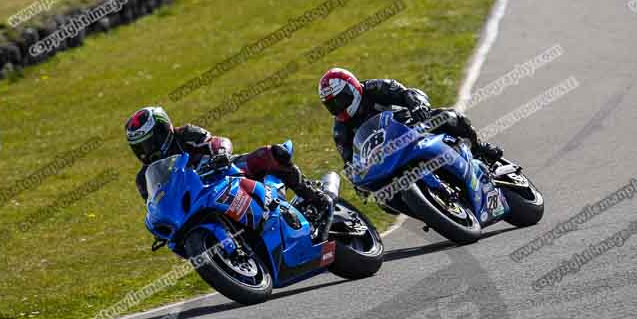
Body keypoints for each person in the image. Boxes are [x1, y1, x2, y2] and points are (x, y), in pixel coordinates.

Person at [125, 106, 334, 240]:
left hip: (225, 172)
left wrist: (221, 154)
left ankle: (318, 199)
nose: (147, 151)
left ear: (163, 131)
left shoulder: (184, 134)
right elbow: (154, 203)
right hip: (197, 202)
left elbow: (217, 141)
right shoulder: (144, 178)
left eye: (149, 142)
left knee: (271, 154)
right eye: (140, 147)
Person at [317, 68, 503, 167]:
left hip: (411, 127)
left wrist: (418, 105)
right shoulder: (340, 130)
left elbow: (406, 93)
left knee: (449, 117)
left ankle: (480, 149)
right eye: (331, 105)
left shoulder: (374, 88)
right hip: (387, 157)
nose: (338, 107)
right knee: (382, 199)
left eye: (340, 100)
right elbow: (350, 162)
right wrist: (358, 181)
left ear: (352, 88)